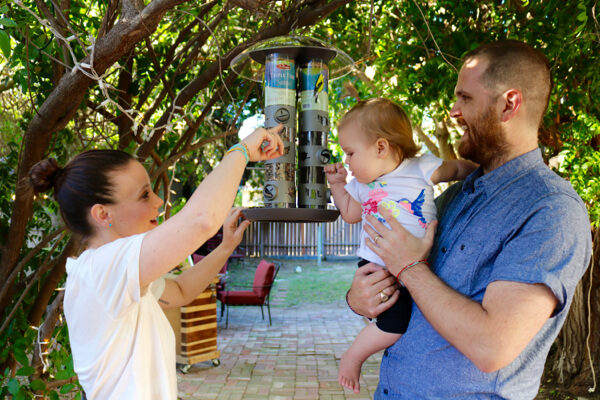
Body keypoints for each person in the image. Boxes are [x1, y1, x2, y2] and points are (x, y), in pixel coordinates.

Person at [346, 40, 592, 399]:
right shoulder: (453, 197)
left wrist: (408, 266)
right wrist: (358, 298)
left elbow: (493, 347)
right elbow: (402, 291)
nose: (453, 110)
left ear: (509, 103)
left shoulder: (551, 211)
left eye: (466, 98)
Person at [28, 126, 284, 399]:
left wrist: (225, 248)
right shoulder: (100, 270)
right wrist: (242, 150)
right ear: (103, 214)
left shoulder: (119, 273)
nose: (159, 201)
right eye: (144, 195)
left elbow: (180, 292)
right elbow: (201, 220)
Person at [324, 98, 477, 393]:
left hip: (415, 266)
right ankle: (353, 356)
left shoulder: (420, 168)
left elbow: (455, 169)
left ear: (381, 147)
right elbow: (350, 213)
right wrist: (338, 186)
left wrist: (477, 170)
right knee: (393, 324)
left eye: (351, 153)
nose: (347, 162)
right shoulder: (361, 184)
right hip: (377, 267)